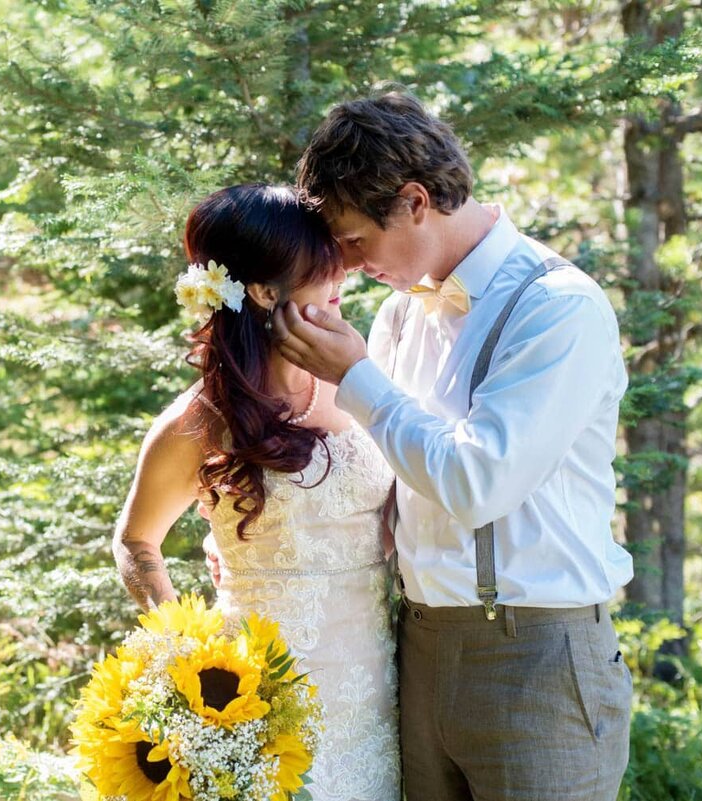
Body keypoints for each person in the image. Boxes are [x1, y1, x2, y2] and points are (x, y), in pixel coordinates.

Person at [268, 91, 634, 801]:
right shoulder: (399, 318)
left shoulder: (558, 307)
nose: (345, 264)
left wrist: (354, 376)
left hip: (539, 659)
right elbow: (386, 474)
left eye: (354, 241)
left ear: (413, 201)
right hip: (418, 650)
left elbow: (477, 480)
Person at [113, 183, 401, 801]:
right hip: (268, 699)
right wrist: (188, 663)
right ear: (267, 292)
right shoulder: (200, 419)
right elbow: (136, 541)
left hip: (380, 684)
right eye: (323, 268)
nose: (343, 276)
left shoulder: (363, 377)